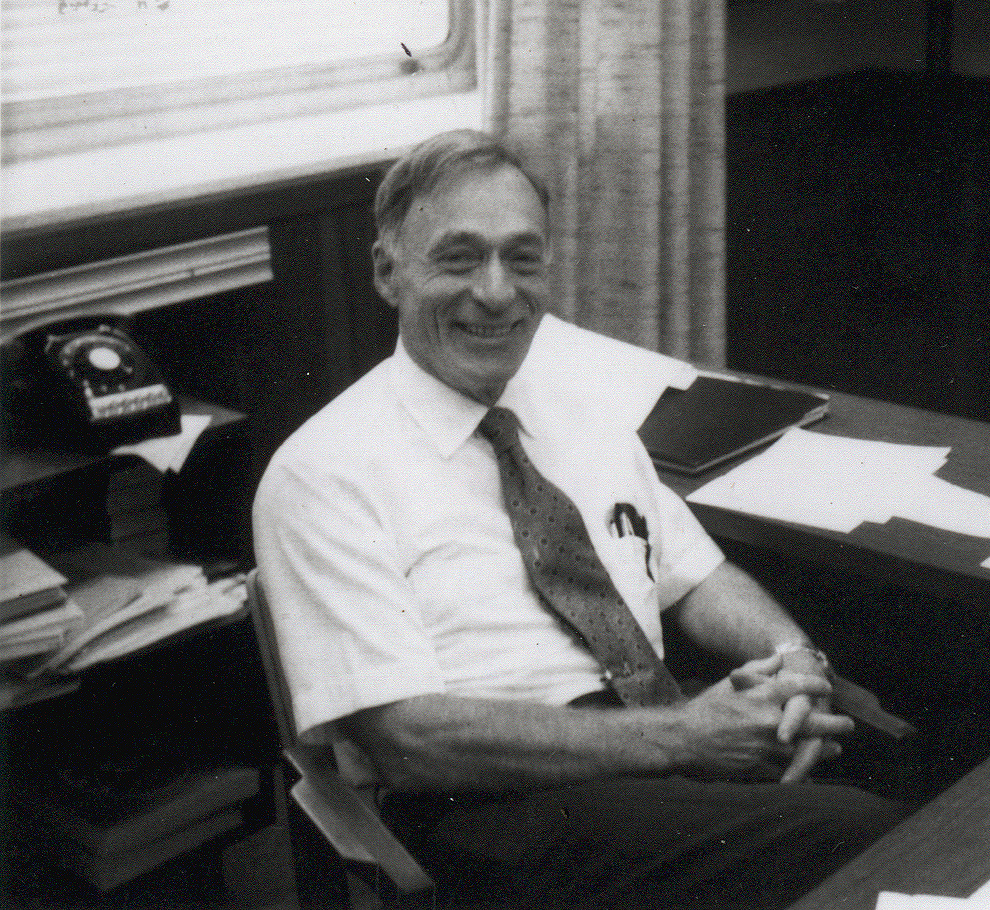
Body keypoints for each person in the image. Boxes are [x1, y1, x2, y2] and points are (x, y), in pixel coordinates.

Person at [253, 129, 904, 909]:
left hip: (654, 736)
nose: (496, 292)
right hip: (492, 804)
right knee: (860, 840)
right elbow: (409, 740)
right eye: (459, 258)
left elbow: (697, 579)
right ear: (388, 273)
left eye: (522, 258)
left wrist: (793, 657)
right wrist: (688, 737)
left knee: (923, 755)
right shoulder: (322, 472)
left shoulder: (579, 414)